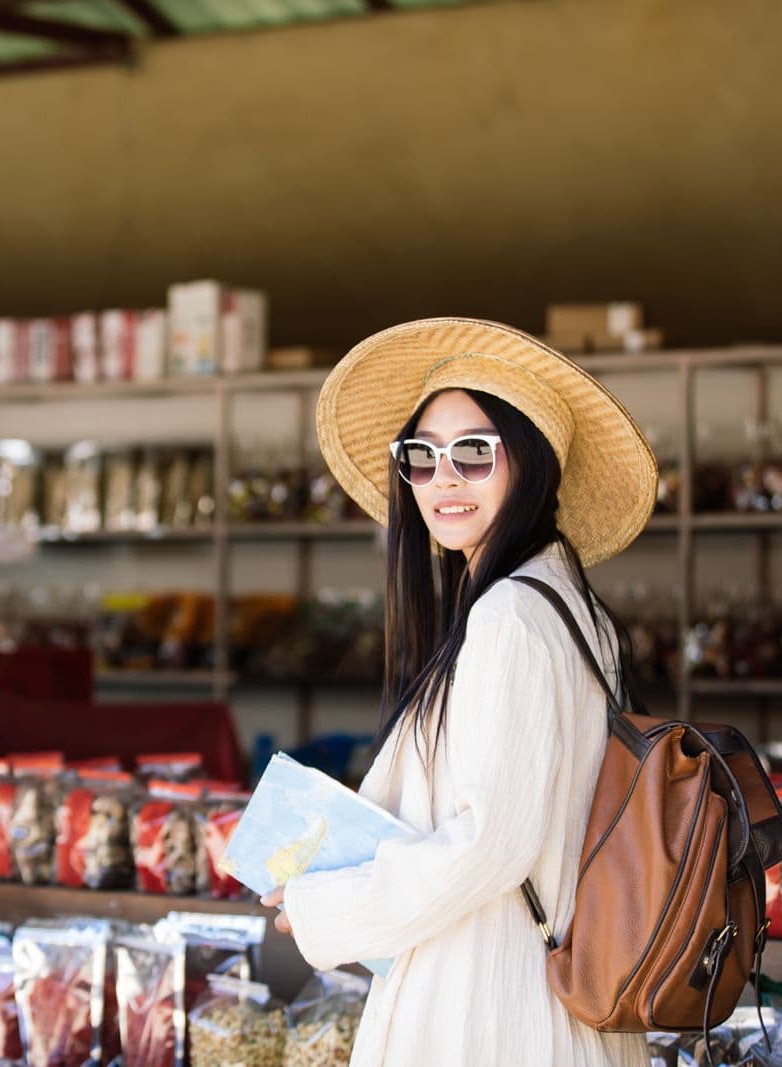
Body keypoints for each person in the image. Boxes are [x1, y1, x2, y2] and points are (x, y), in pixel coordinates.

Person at [261, 318, 658, 1066]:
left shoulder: (511, 615)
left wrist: (327, 906)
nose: (444, 477)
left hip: (491, 1005)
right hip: (538, 988)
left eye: (475, 452)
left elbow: (489, 846)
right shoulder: (567, 605)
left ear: (531, 463)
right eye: (422, 455)